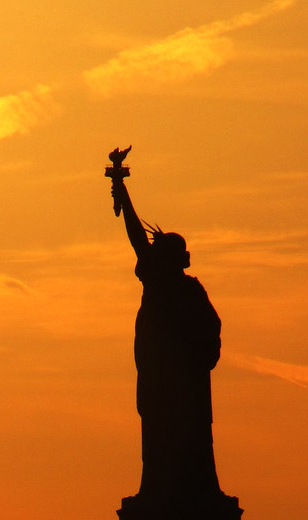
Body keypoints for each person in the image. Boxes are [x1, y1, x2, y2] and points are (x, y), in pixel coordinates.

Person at [109, 151, 222, 499]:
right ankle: (162, 489)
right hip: (163, 376)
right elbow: (135, 235)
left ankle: (193, 491)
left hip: (186, 378)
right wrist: (119, 184)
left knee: (192, 435)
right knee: (161, 432)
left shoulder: (189, 290)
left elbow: (211, 328)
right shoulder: (159, 281)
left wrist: (198, 349)